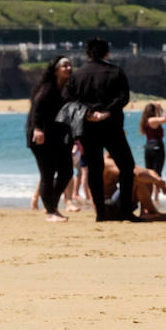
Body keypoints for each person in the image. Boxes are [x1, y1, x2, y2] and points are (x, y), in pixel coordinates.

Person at [64, 37, 138, 221]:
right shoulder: (115, 71)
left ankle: (100, 213)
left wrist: (88, 112)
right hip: (112, 126)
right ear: (107, 52)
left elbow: (67, 98)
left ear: (88, 53)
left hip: (88, 127)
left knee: (95, 169)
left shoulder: (78, 74)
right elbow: (123, 97)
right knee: (126, 166)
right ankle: (125, 210)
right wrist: (106, 112)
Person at [26, 55, 74, 222]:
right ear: (56, 70)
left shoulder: (66, 88)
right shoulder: (48, 88)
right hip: (41, 137)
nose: (69, 68)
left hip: (58, 138)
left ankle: (51, 205)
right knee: (47, 173)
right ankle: (51, 211)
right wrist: (37, 129)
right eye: (65, 66)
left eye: (70, 66)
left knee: (67, 171)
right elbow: (37, 109)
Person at [102, 153, 166, 221]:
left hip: (114, 205)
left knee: (145, 177)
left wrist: (157, 178)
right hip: (108, 208)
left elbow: (145, 171)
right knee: (137, 180)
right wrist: (158, 182)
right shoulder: (107, 162)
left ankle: (145, 212)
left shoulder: (114, 159)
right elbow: (137, 174)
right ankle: (152, 212)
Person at [138, 102, 166, 201]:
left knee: (150, 173)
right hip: (157, 147)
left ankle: (150, 195)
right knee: (157, 173)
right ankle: (156, 197)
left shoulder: (146, 121)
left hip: (148, 147)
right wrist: (160, 108)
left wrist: (157, 110)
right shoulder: (153, 120)